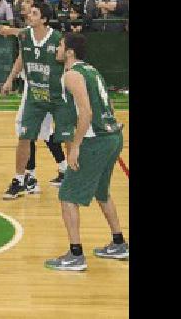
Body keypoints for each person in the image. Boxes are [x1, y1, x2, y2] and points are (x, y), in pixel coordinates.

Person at [44, 32, 128, 271]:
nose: (57, 49)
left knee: (68, 196)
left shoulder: (72, 75)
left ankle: (75, 255)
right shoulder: (91, 70)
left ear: (70, 51)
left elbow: (86, 113)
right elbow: (109, 104)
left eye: (60, 45)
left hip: (96, 141)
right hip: (112, 136)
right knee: (102, 192)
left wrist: (76, 147)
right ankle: (119, 243)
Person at [0, 1, 74, 199]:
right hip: (35, 96)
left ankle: (71, 176)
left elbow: (70, 62)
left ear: (44, 19)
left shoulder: (57, 39)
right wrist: (9, 79)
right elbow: (21, 57)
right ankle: (20, 180)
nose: (29, 15)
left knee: (67, 138)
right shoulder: (25, 36)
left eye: (34, 13)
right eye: (29, 13)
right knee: (24, 136)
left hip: (57, 96)